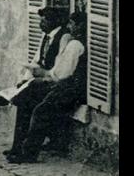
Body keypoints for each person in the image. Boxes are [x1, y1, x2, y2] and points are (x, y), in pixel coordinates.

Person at [5, 10, 86, 164]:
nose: (70, 27)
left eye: (73, 24)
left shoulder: (74, 44)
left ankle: (28, 152)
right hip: (60, 84)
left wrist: (44, 76)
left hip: (69, 89)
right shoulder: (68, 41)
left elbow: (61, 74)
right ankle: (19, 148)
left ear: (80, 26)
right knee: (25, 101)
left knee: (41, 111)